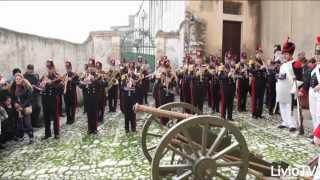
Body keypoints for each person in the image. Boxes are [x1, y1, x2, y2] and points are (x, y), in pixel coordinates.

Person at [276, 38, 303, 132]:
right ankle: (285, 121)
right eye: (284, 54)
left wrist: (297, 89)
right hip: (282, 88)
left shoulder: (296, 64)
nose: (284, 55)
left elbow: (300, 77)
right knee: (282, 105)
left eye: (286, 54)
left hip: (290, 88)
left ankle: (292, 124)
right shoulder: (283, 64)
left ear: (291, 54)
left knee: (290, 106)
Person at [79, 59, 107, 134]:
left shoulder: (98, 75)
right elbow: (80, 84)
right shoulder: (85, 75)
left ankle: (94, 129)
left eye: (92, 66)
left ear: (94, 67)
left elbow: (104, 84)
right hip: (87, 97)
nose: (90, 68)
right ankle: (89, 129)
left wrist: (94, 80)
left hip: (95, 97)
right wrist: (84, 82)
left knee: (94, 113)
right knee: (89, 113)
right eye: (89, 66)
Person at [300, 36, 320, 136]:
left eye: (319, 53)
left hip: (319, 92)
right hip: (312, 92)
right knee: (313, 113)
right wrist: (303, 90)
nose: (317, 55)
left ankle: (318, 134)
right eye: (316, 53)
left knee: (319, 114)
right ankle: (315, 132)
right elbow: (307, 79)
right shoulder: (314, 67)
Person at [40, 60, 63, 139]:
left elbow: (61, 86)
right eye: (48, 67)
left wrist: (51, 83)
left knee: (55, 116)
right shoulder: (44, 75)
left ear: (53, 67)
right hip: (45, 98)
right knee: (46, 117)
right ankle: (47, 133)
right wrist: (42, 84)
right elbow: (39, 85)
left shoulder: (57, 76)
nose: (49, 70)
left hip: (53, 98)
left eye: (51, 67)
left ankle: (56, 133)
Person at [10, 73, 34, 144]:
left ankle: (31, 137)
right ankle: (21, 136)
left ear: (22, 79)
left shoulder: (26, 86)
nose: (17, 80)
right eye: (16, 79)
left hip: (26, 106)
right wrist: (14, 103)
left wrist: (22, 106)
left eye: (19, 79)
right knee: (20, 123)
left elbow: (29, 98)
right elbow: (12, 96)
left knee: (27, 123)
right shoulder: (14, 86)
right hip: (18, 107)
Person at [249, 46, 267, 119]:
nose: (260, 55)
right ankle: (254, 113)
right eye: (258, 54)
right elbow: (251, 71)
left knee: (261, 98)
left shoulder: (263, 62)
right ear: (256, 54)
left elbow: (265, 72)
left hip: (262, 82)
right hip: (256, 81)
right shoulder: (252, 62)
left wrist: (265, 68)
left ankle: (259, 113)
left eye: (261, 54)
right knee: (255, 98)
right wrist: (260, 68)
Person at [120, 62, 138, 133]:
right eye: (129, 69)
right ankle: (126, 128)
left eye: (132, 69)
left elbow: (139, 87)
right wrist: (125, 88)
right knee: (126, 113)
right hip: (126, 97)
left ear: (133, 70)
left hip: (133, 97)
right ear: (128, 70)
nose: (130, 71)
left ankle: (133, 127)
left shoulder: (136, 77)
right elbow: (121, 87)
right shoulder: (124, 77)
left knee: (133, 112)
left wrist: (134, 84)